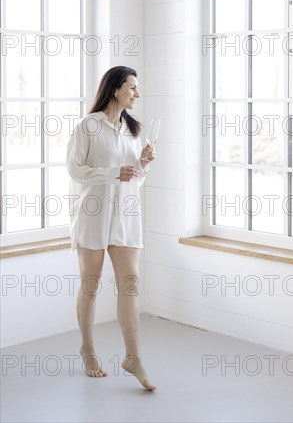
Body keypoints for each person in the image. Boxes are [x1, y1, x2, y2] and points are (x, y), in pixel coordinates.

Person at [66, 66, 156, 391]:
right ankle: (88, 350)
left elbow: (135, 178)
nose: (136, 94)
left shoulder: (133, 129)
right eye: (132, 87)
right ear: (115, 88)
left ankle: (133, 357)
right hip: (93, 213)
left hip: (126, 214)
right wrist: (113, 172)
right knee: (90, 284)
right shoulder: (87, 126)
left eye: (137, 87)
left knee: (130, 282)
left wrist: (143, 163)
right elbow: (75, 170)